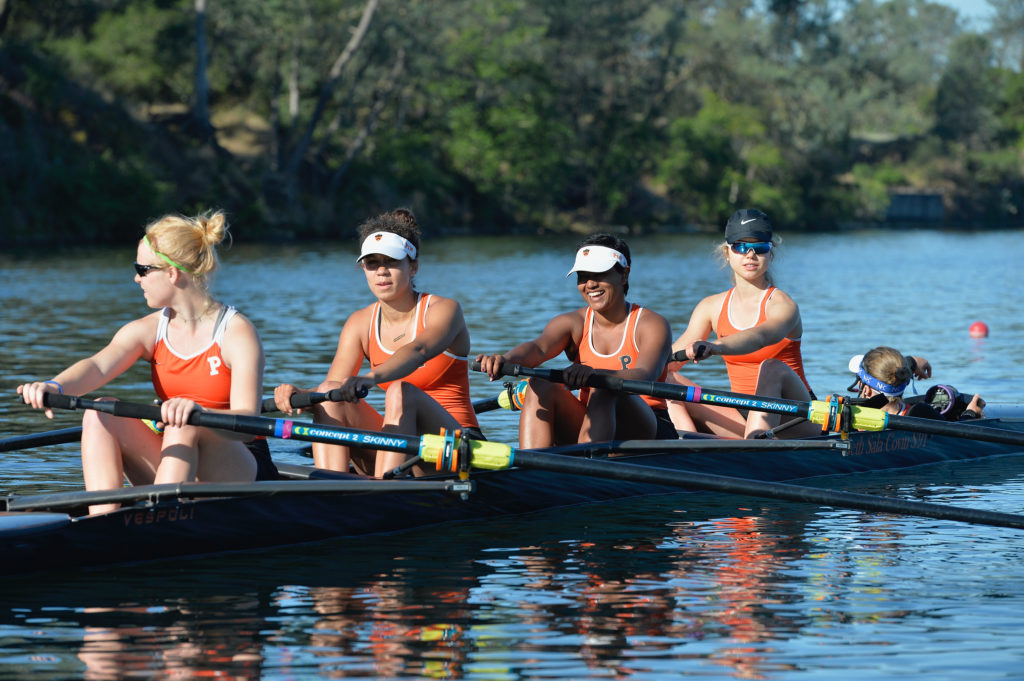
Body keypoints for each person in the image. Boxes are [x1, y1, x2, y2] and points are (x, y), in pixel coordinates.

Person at [17, 211, 271, 515]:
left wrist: (200, 412)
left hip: (240, 468)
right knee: (100, 413)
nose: (136, 278)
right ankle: (104, 521)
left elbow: (247, 425)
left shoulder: (236, 332)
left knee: (184, 423)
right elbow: (98, 366)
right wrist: (55, 386)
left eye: (143, 269)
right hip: (175, 458)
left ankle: (160, 521)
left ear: (172, 273)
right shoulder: (148, 330)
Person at [274, 208, 480, 477]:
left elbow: (419, 351)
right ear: (364, 269)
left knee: (400, 391)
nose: (382, 271)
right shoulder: (359, 323)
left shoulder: (444, 310)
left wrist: (371, 377)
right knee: (330, 391)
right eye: (372, 263)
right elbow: (334, 391)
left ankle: (383, 491)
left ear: (413, 266)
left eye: (392, 262)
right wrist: (299, 395)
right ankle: (331, 489)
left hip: (457, 446)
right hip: (399, 448)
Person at [476, 234, 675, 448]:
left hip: (648, 429)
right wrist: (505, 359)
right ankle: (535, 467)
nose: (590, 284)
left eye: (599, 274)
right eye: (583, 276)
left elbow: (646, 375)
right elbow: (538, 349)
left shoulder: (652, 324)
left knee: (604, 386)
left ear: (624, 275)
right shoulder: (572, 323)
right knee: (539, 384)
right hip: (593, 424)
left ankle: (586, 468)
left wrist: (596, 374)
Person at [666, 209, 818, 439]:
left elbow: (759, 337)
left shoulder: (783, 305)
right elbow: (667, 359)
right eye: (741, 246)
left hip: (796, 417)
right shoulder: (711, 306)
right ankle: (684, 448)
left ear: (771, 253)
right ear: (727, 252)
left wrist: (717, 346)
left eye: (760, 248)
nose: (750, 255)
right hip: (742, 415)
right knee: (666, 375)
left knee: (772, 367)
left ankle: (753, 450)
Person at [847, 346, 985, 419]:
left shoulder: (850, 414)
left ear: (866, 390)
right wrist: (970, 414)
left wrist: (911, 363)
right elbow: (957, 439)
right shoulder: (920, 413)